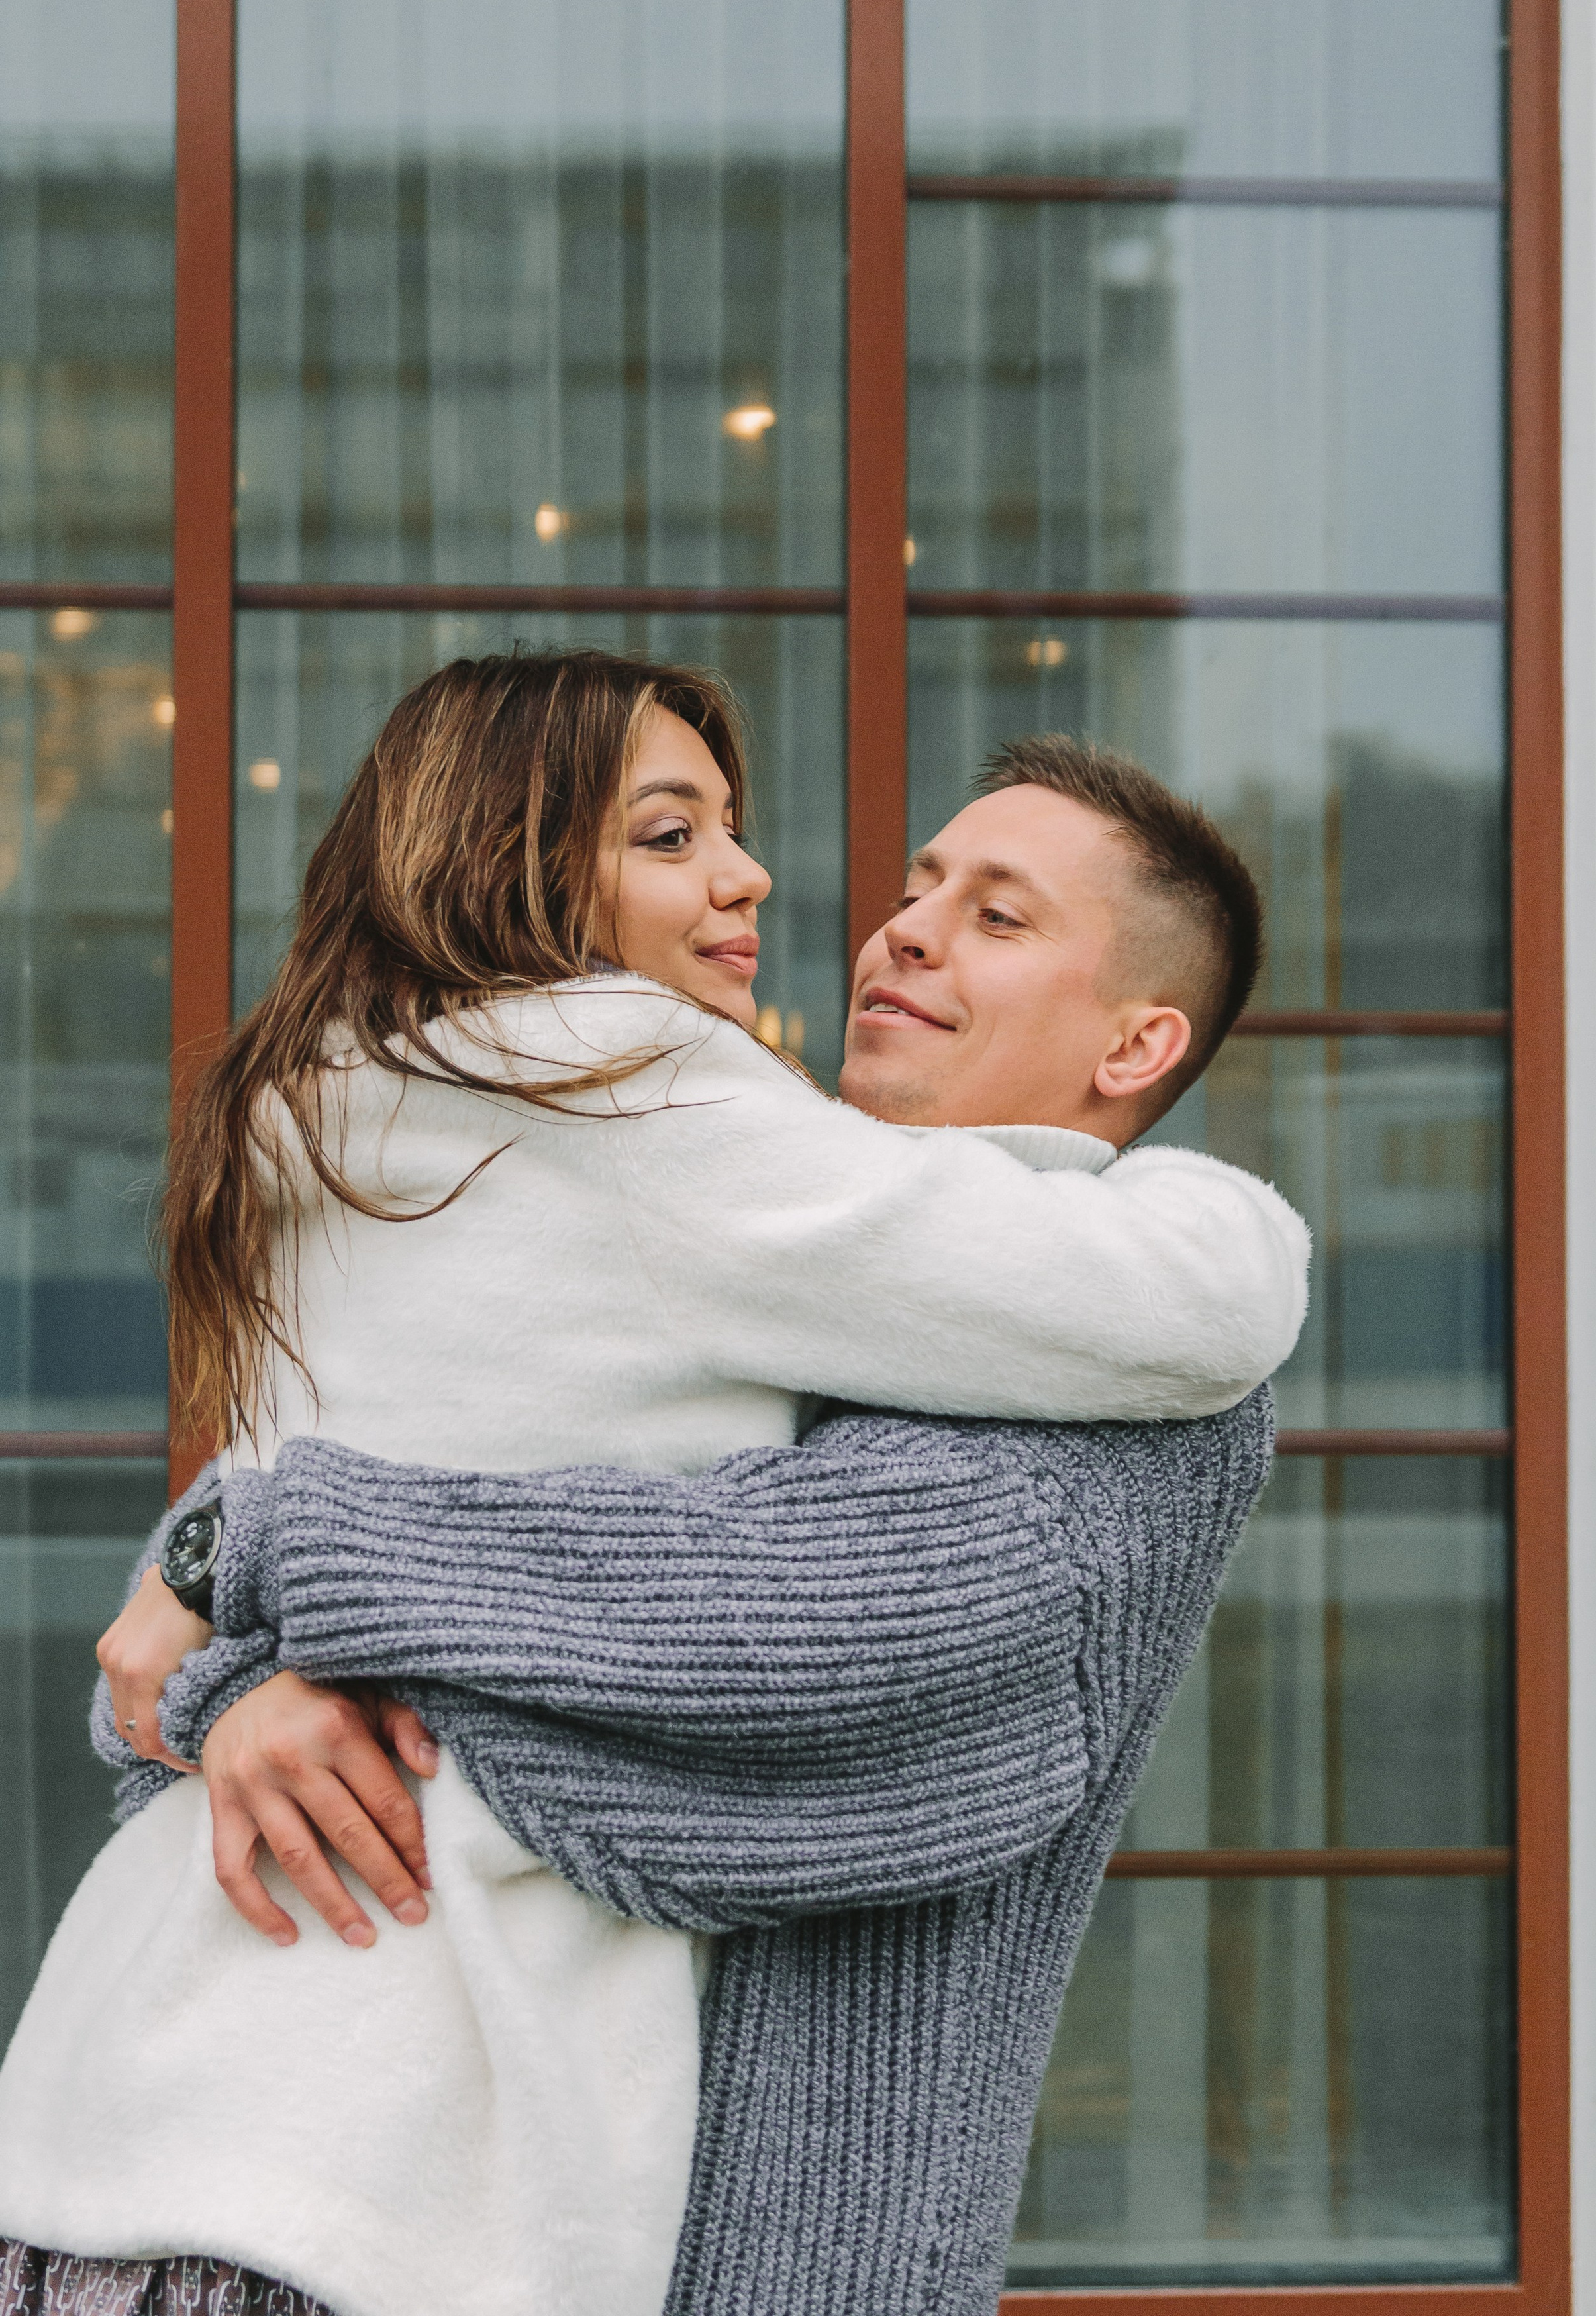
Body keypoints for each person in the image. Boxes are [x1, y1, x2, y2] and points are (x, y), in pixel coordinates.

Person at [0, 666, 1305, 2316]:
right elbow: (208, 1641)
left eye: (992, 916)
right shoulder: (657, 1143)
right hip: (356, 2153)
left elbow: (801, 1647)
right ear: (511, 867)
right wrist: (251, 1650)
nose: (876, 922)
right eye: (916, 889)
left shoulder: (1099, 1393)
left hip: (174, 2097)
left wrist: (262, 1611)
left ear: (1139, 1036)